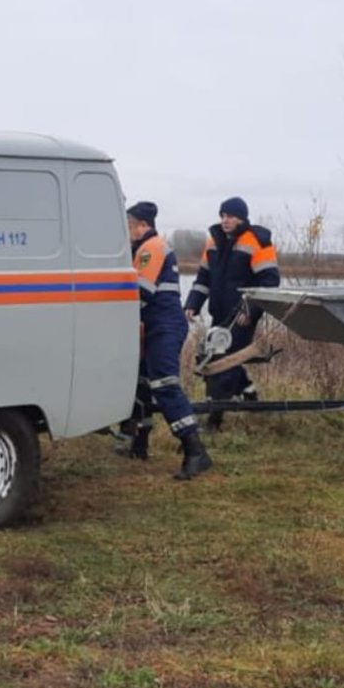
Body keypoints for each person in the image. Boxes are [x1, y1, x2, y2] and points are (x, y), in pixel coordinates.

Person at [119, 201, 211, 480]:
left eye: (129, 225)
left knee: (164, 384)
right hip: (152, 326)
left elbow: (141, 292)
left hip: (164, 327)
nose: (126, 230)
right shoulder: (142, 248)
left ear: (143, 225)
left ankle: (195, 451)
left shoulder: (152, 248)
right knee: (142, 384)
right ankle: (140, 443)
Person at [182, 196, 280, 427]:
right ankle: (249, 393)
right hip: (219, 312)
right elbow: (203, 278)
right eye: (223, 215)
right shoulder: (213, 242)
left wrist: (251, 311)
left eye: (231, 216)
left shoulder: (257, 242)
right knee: (218, 356)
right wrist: (192, 304)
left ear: (242, 218)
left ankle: (215, 419)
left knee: (222, 361)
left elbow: (269, 282)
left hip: (242, 316)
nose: (225, 220)